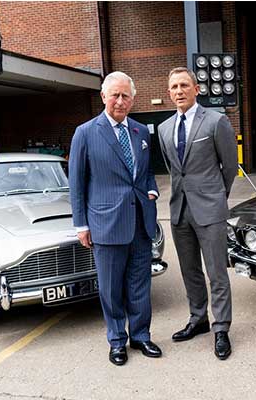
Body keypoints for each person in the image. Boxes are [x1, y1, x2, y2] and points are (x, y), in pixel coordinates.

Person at [69, 71, 161, 366]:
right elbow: (77, 182)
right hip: (105, 224)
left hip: (140, 222)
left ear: (133, 99)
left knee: (139, 283)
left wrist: (152, 192)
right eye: (115, 95)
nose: (120, 102)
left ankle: (141, 336)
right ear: (103, 97)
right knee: (110, 288)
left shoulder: (140, 131)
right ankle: (117, 341)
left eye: (126, 96)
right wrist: (81, 224)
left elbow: (147, 173)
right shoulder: (85, 132)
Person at [157, 67, 238, 360]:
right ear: (169, 93)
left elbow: (229, 167)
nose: (178, 91)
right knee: (189, 270)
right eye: (173, 87)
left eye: (183, 85)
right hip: (179, 210)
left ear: (196, 88)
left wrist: (218, 196)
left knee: (216, 271)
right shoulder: (164, 128)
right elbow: (173, 170)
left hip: (210, 208)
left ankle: (221, 328)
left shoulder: (216, 122)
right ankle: (198, 319)